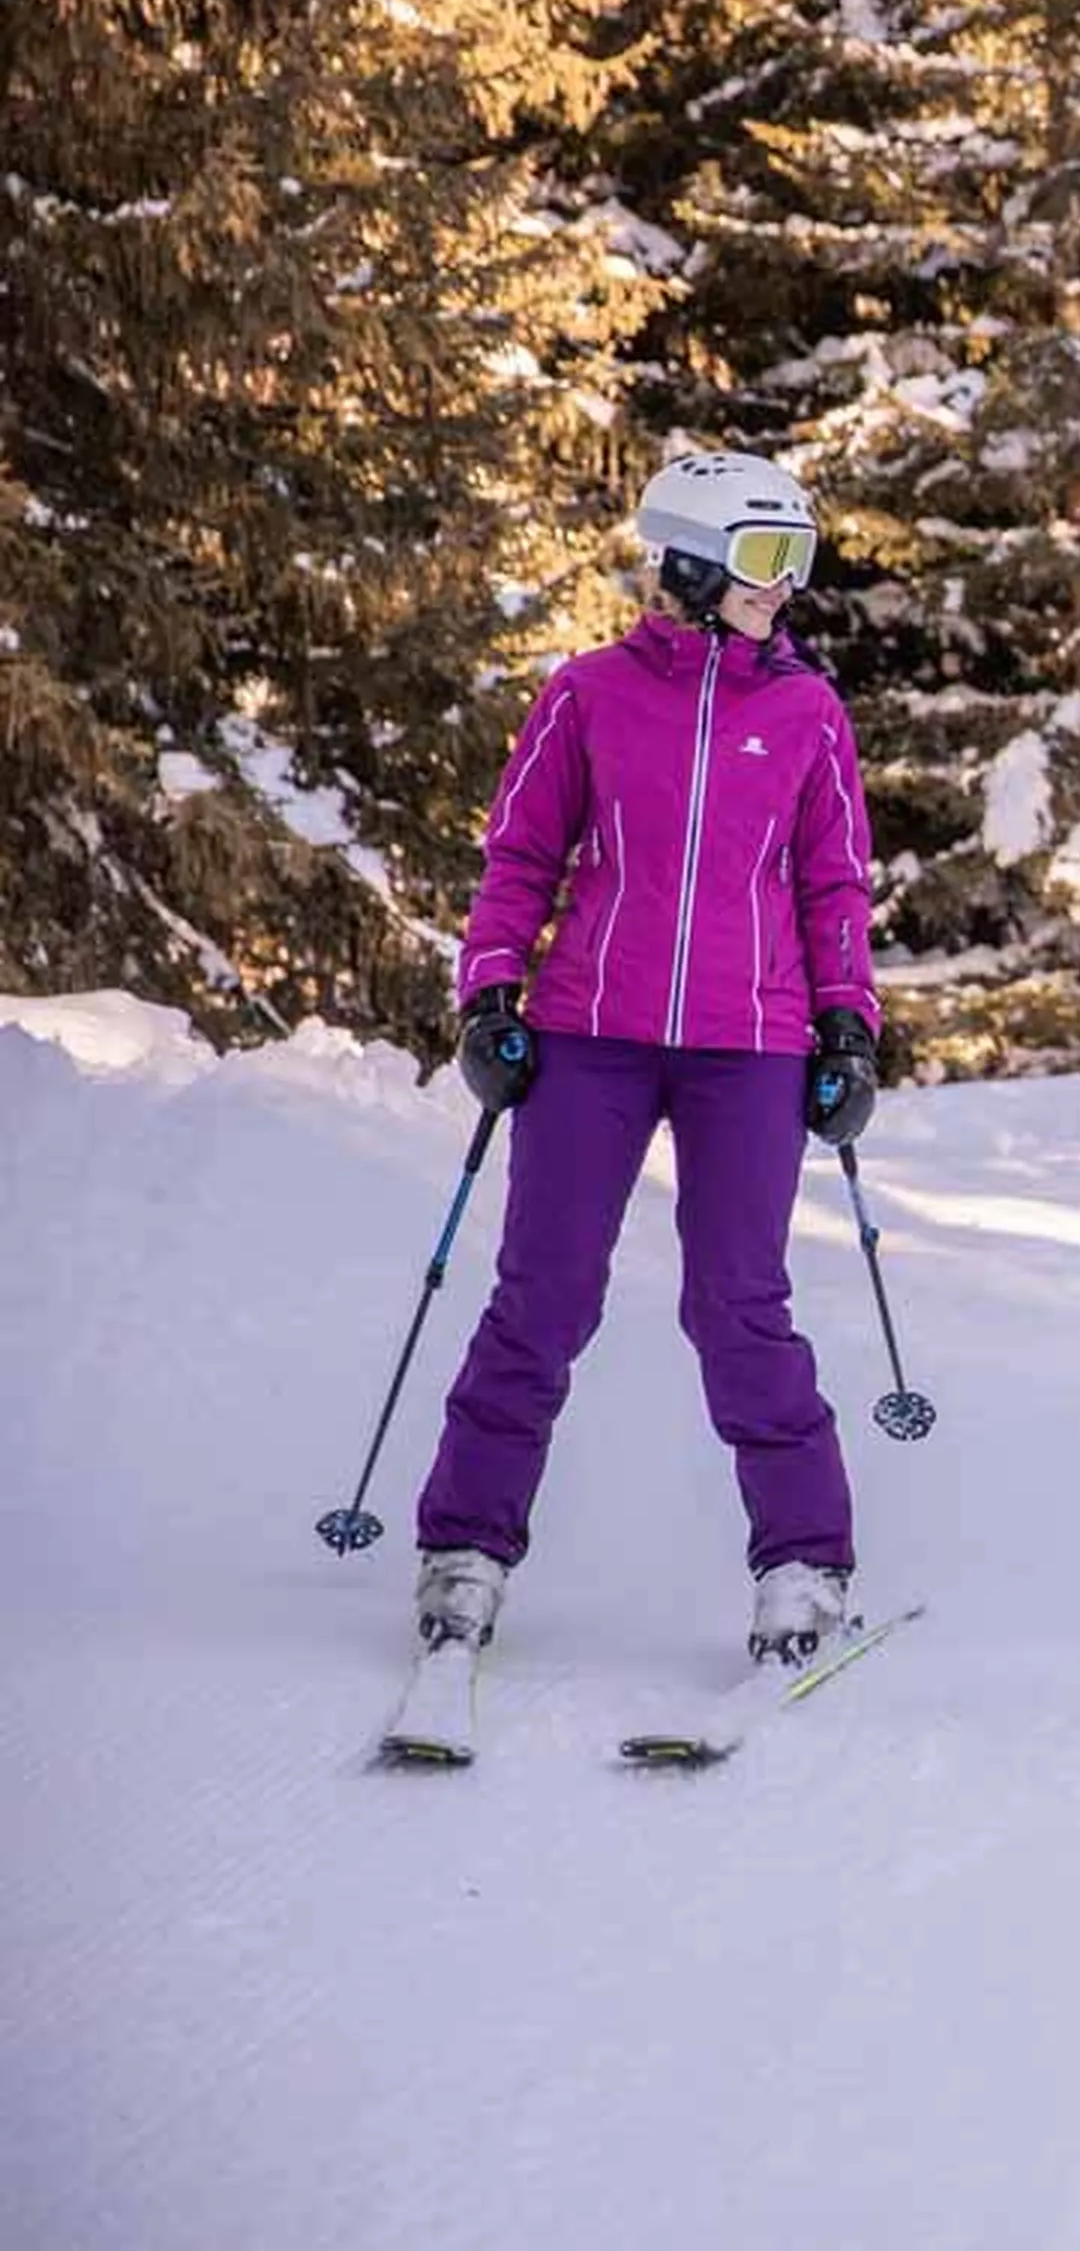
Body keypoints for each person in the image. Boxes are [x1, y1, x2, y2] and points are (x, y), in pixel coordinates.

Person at [408, 451, 886, 1678]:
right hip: (591, 1037)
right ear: (688, 559)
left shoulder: (807, 714)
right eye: (768, 559)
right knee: (543, 1295)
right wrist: (490, 997)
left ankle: (804, 1560)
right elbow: (520, 857)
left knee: (737, 1305)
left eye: (800, 560)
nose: (788, 588)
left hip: (753, 1047)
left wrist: (848, 1026)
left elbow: (833, 884)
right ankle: (466, 1548)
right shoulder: (587, 695)